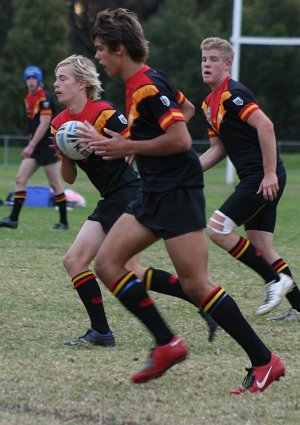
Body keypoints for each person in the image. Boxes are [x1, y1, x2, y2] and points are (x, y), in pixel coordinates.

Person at [79, 8, 286, 393]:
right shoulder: (147, 80)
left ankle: (264, 361)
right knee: (107, 263)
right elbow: (185, 110)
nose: (98, 57)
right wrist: (134, 146)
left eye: (100, 50)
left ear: (119, 48)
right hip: (153, 191)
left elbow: (181, 139)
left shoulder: (146, 86)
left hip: (176, 194)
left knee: (197, 285)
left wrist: (129, 144)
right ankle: (167, 343)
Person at [51, 54, 216, 347]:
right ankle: (102, 332)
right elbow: (70, 179)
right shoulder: (59, 124)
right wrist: (65, 154)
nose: (56, 84)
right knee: (75, 260)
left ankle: (201, 300)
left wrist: (124, 148)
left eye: (62, 78)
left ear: (81, 83)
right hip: (110, 198)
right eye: (56, 78)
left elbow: (134, 141)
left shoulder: (104, 113)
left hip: (129, 192)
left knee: (126, 269)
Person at [199, 37, 300, 321]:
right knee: (261, 246)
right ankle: (299, 305)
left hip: (261, 177)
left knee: (218, 229)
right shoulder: (209, 104)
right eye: (204, 59)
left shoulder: (233, 93)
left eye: (214, 59)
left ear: (228, 64)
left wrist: (269, 173)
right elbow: (218, 149)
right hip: (258, 177)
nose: (207, 64)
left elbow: (265, 125)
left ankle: (274, 279)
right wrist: (187, 171)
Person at [0, 65, 69, 230]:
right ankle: (13, 219)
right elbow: (33, 124)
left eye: (34, 79)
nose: (31, 82)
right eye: (28, 79)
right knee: (20, 179)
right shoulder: (28, 98)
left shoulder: (44, 97)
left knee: (54, 183)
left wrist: (30, 145)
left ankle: (64, 222)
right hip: (35, 146)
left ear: (39, 80)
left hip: (47, 146)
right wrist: (31, 143)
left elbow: (45, 124)